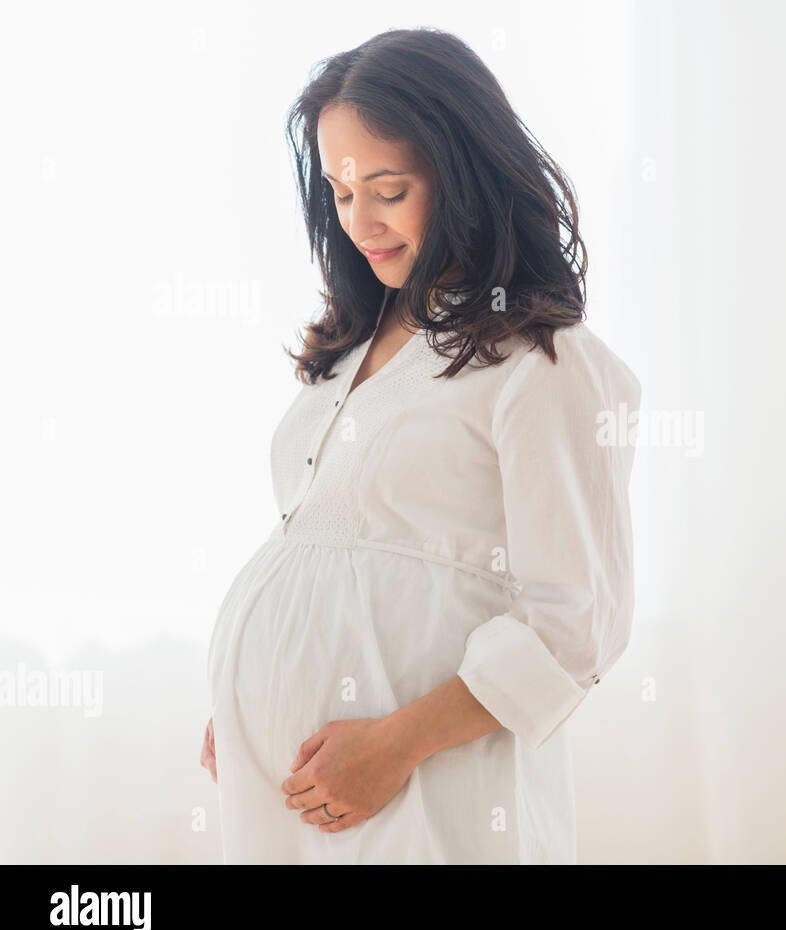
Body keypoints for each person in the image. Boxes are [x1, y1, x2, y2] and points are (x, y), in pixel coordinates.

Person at [199, 27, 641, 864]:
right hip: (297, 796)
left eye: (388, 189)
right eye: (338, 191)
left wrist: (396, 743)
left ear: (464, 173)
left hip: (430, 792)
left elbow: (576, 622)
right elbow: (325, 549)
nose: (359, 220)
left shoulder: (545, 362)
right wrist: (246, 693)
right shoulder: (360, 339)